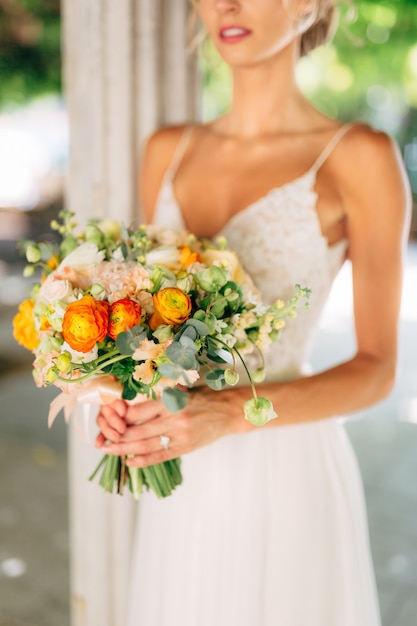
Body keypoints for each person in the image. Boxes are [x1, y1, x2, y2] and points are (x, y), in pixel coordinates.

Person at [95, 1, 410, 624]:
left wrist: (227, 412)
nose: (227, 5)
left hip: (285, 467)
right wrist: (117, 394)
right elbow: (145, 327)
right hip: (182, 470)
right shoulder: (167, 149)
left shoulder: (360, 157)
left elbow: (377, 370)